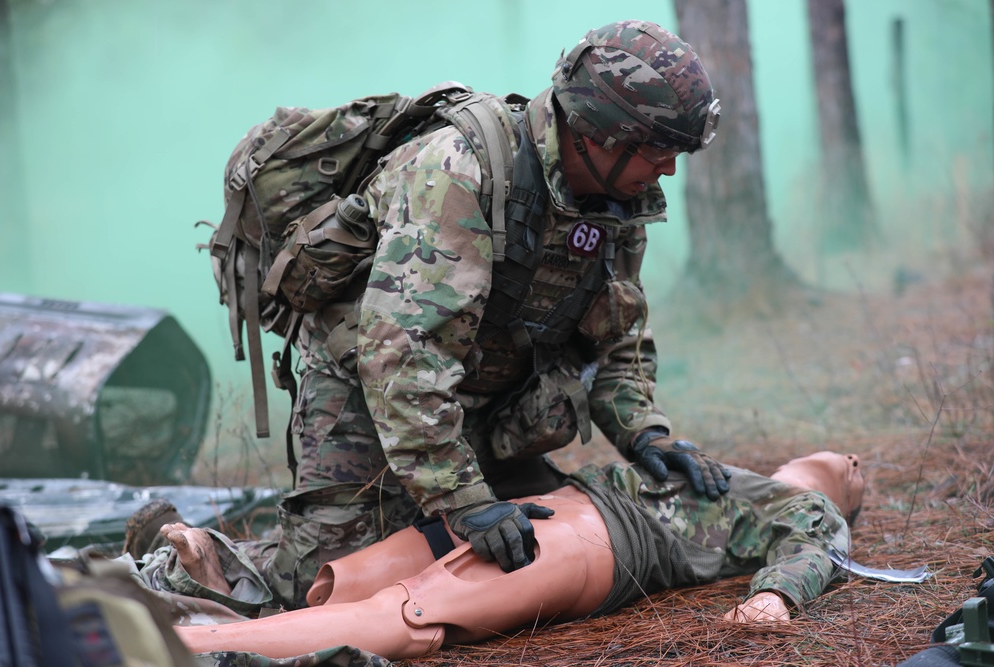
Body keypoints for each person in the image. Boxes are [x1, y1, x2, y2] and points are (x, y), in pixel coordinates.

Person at [224, 18, 730, 609]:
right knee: (320, 592)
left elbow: (616, 338)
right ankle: (173, 563)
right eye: (659, 150)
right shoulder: (459, 170)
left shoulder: (619, 202)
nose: (668, 169)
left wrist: (647, 432)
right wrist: (464, 502)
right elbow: (403, 358)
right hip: (366, 400)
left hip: (486, 407)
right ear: (601, 134)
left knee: (528, 568)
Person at [169, 450, 864, 661]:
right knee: (338, 581)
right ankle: (210, 592)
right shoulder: (720, 472)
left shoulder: (809, 507)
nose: (854, 458)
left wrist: (777, 595)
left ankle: (191, 643)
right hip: (546, 505)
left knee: (412, 613)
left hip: (600, 544)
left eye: (859, 472)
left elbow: (817, 550)